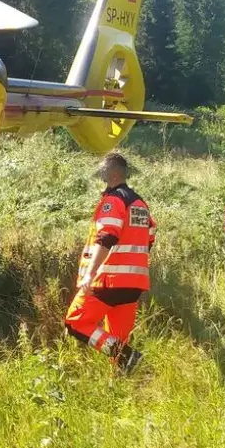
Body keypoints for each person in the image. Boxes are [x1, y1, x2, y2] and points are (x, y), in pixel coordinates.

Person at [65, 152, 156, 374]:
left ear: (113, 173)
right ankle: (122, 383)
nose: (100, 173)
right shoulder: (139, 203)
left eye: (103, 169)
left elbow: (106, 237)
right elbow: (150, 234)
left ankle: (128, 357)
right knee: (117, 338)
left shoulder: (113, 201)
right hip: (134, 283)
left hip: (107, 280)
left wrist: (90, 273)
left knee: (75, 322)